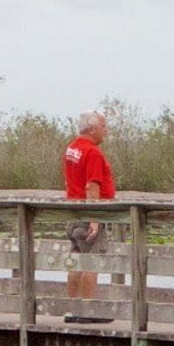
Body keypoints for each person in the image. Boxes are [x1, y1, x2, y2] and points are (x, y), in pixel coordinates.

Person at [61, 112, 116, 321]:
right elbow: (92, 186)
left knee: (76, 261)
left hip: (73, 213)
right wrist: (95, 218)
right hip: (88, 214)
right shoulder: (92, 152)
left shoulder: (72, 148)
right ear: (92, 129)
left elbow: (70, 182)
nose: (106, 131)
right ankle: (87, 311)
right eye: (103, 126)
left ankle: (73, 310)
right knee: (92, 262)